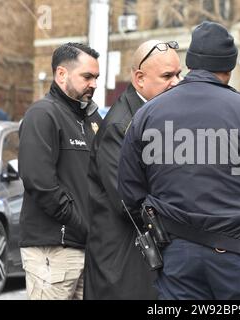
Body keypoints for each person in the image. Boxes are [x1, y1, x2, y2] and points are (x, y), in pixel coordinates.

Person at [117, 21, 240, 300]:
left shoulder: (147, 115)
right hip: (237, 255)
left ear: (191, 63)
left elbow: (130, 191)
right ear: (230, 66)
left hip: (176, 258)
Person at [83, 40, 181, 300]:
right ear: (139, 78)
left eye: (179, 74)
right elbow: (128, 202)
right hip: (124, 263)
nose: (176, 82)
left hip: (148, 257)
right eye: (167, 76)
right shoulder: (121, 126)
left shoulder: (157, 115)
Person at [18, 42, 102, 300]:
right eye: (87, 77)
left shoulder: (90, 119)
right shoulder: (42, 115)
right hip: (52, 251)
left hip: (86, 248)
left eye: (96, 77)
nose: (94, 84)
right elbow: (40, 183)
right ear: (61, 74)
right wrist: (80, 225)